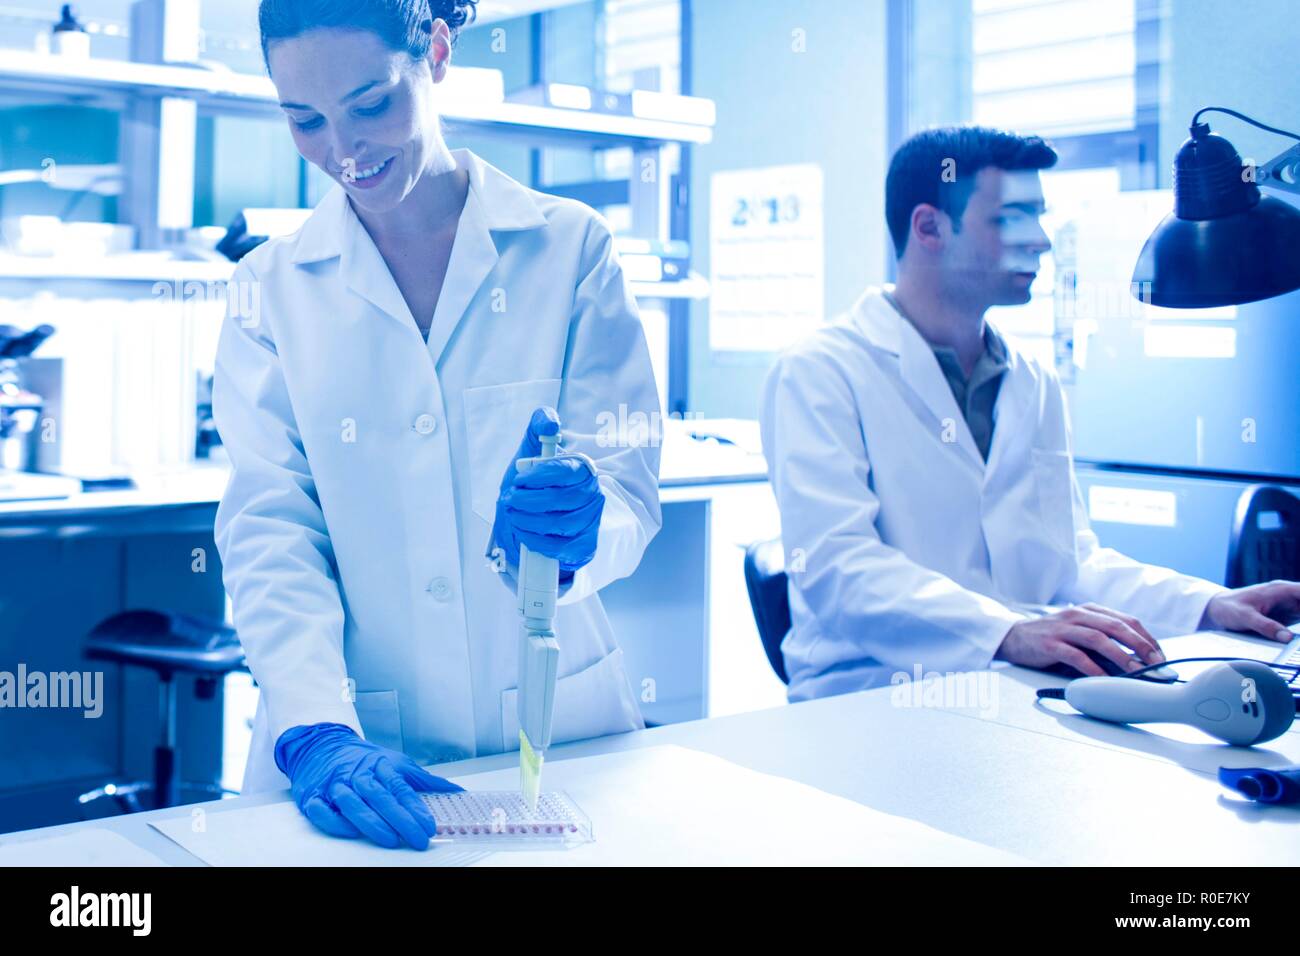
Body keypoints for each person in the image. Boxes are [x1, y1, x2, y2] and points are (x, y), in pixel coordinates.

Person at [213, 0, 660, 849]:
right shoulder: (267, 288)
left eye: (371, 103)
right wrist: (314, 729)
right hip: (354, 742)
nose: (343, 149)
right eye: (304, 120)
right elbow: (272, 523)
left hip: (555, 735)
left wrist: (586, 526)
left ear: (438, 52)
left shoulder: (569, 250)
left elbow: (627, 477)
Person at [760, 126, 1300, 702]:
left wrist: (1207, 604)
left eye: (1039, 216)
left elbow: (1069, 564)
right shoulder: (820, 371)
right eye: (1012, 218)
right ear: (928, 227)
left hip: (1020, 688)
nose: (1041, 241)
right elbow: (837, 569)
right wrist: (1009, 632)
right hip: (864, 698)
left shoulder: (1031, 377)